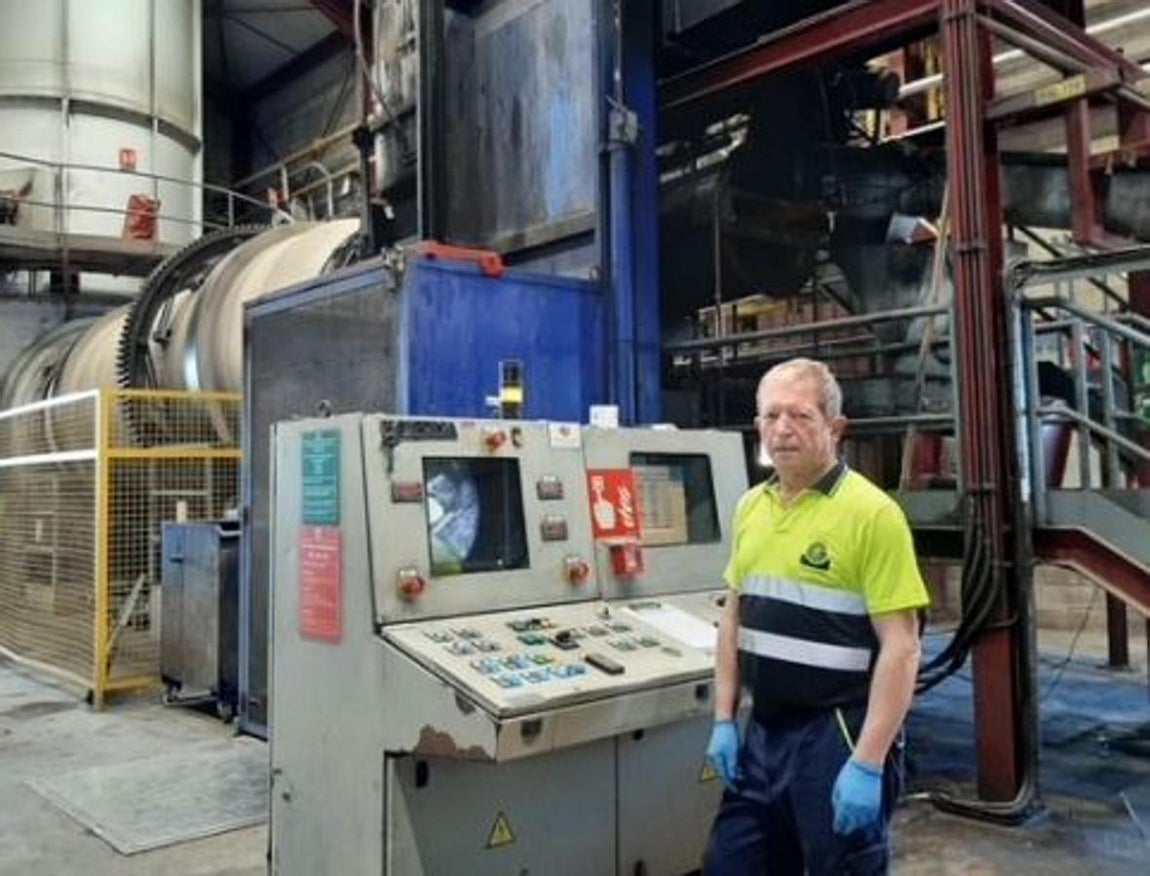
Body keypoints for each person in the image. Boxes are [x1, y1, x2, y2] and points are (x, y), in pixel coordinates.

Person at [702, 357, 929, 875]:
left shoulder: (872, 515)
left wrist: (868, 761)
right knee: (731, 863)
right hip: (763, 730)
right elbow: (733, 616)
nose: (782, 429)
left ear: (835, 427)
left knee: (839, 865)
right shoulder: (750, 508)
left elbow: (902, 647)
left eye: (800, 415)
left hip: (836, 733)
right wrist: (723, 718)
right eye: (771, 415)